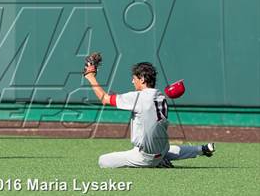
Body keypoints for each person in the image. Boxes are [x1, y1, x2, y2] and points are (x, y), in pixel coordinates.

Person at [83, 61, 215, 168]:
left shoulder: (137, 98)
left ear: (142, 79)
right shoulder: (160, 96)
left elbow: (104, 99)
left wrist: (91, 77)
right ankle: (201, 149)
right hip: (162, 149)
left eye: (134, 78)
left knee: (103, 161)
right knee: (167, 151)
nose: (132, 81)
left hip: (145, 157)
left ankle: (157, 163)